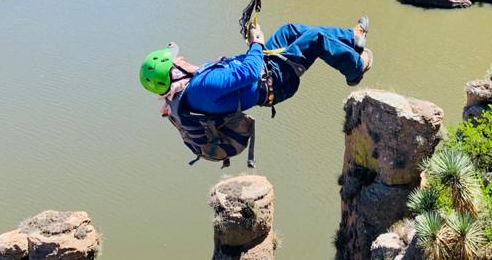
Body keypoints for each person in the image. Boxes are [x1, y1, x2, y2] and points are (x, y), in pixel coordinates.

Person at [139, 19, 373, 165]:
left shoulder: (191, 89)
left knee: (289, 30)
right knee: (316, 39)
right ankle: (356, 68)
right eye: (176, 61)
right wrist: (256, 43)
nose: (181, 58)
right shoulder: (201, 89)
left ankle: (352, 39)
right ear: (174, 73)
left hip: (265, 72)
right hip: (276, 80)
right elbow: (249, 74)